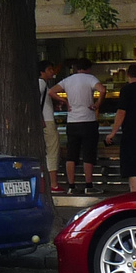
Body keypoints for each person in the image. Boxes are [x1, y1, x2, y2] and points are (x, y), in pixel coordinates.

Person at [50, 59, 104, 195]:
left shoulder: (68, 80)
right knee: (88, 154)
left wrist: (64, 101)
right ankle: (88, 185)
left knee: (71, 155)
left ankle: (71, 186)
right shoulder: (90, 78)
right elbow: (102, 90)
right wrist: (97, 104)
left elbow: (51, 91)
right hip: (88, 120)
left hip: (72, 121)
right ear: (88, 68)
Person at [105, 63, 136, 192]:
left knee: (133, 167)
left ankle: (134, 194)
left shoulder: (126, 90)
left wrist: (113, 132)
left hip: (130, 132)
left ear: (128, 75)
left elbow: (121, 112)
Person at [37, 60, 63, 194]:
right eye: (49, 70)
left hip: (45, 120)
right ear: (42, 72)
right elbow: (36, 101)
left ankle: (48, 182)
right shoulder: (41, 84)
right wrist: (41, 119)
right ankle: (53, 183)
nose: (52, 72)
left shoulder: (43, 84)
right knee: (53, 151)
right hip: (47, 121)